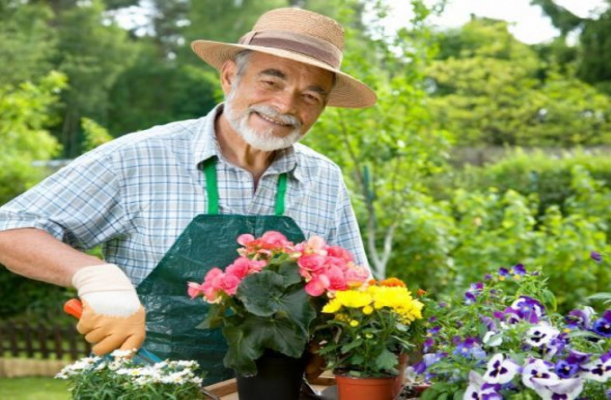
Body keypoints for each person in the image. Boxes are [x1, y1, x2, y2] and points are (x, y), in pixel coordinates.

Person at [0, 7, 376, 385]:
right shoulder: (139, 157)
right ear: (229, 77)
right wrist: (96, 276)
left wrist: (333, 339)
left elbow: (356, 288)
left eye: (310, 96)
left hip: (273, 391)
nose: (285, 106)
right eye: (271, 82)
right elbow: (11, 229)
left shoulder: (323, 177)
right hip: (145, 389)